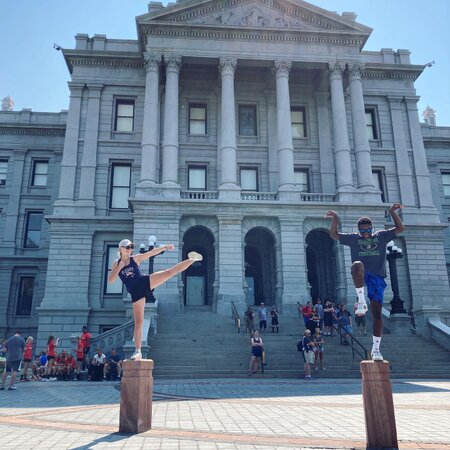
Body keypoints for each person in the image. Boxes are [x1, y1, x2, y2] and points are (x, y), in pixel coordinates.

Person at [325, 203, 405, 361]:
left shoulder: (381, 236)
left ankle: (376, 349)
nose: (366, 233)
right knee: (357, 265)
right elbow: (334, 235)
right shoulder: (354, 238)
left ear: (372, 228)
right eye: (363, 231)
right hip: (362, 273)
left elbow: (400, 228)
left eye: (368, 230)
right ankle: (361, 301)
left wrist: (392, 212)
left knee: (377, 315)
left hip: (377, 277)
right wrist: (335, 219)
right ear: (359, 230)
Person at [109, 238, 202, 361]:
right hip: (135, 293)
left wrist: (164, 247)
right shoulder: (116, 263)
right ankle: (138, 351)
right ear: (120, 249)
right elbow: (111, 280)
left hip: (144, 282)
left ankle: (191, 259)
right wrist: (119, 267)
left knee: (169, 272)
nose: (130, 249)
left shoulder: (135, 259)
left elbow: (150, 253)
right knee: (138, 323)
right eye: (127, 247)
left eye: (131, 247)